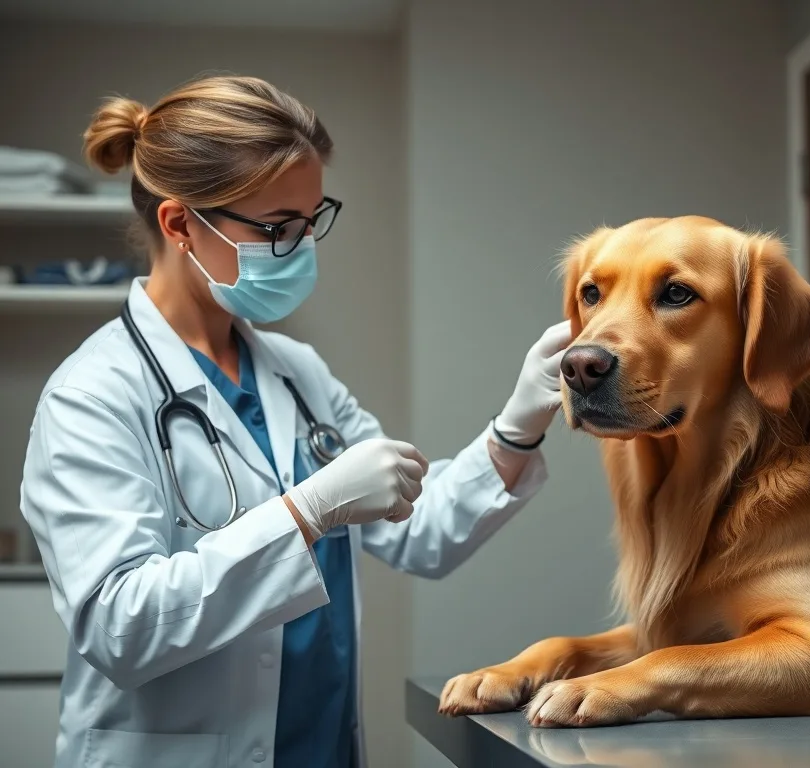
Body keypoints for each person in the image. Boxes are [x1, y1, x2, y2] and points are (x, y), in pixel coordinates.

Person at [20, 75, 570, 768]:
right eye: (279, 227)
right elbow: (120, 628)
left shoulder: (294, 370)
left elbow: (420, 530)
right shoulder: (93, 395)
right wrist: (306, 512)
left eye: (312, 221)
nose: (304, 246)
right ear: (180, 223)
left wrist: (517, 424)